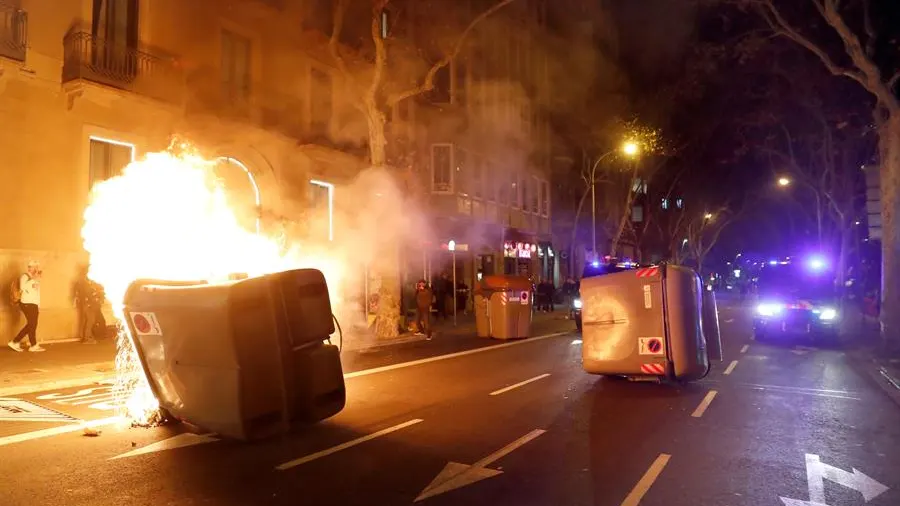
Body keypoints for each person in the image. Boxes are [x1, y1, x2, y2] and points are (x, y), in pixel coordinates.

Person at [8, 260, 44, 352]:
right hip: (27, 303)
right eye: (34, 267)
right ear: (29, 268)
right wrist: (33, 278)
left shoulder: (35, 278)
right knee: (32, 324)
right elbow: (22, 288)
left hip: (34, 304)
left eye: (36, 267)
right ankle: (20, 342)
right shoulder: (25, 276)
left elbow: (36, 292)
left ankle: (30, 344)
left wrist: (38, 305)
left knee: (32, 324)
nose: (36, 268)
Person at [74, 264, 104, 344]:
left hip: (86, 303)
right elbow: (87, 293)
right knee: (90, 321)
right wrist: (92, 301)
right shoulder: (85, 281)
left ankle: (85, 337)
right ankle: (87, 338)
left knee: (87, 320)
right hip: (88, 303)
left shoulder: (84, 280)